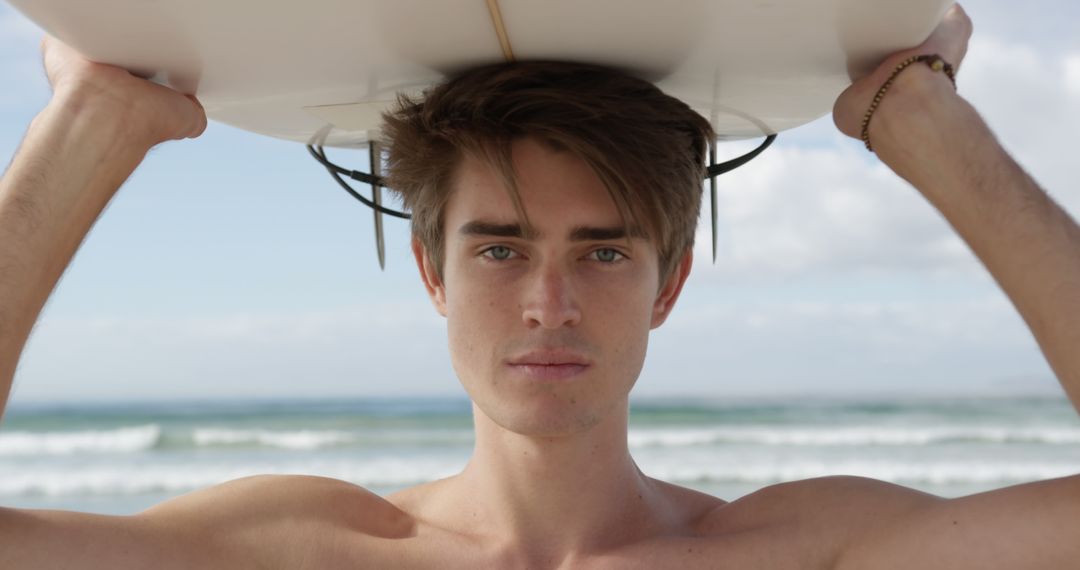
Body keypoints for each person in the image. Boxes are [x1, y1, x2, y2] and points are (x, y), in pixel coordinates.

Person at [1, 4, 1078, 568]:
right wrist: (95, 118)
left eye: (605, 252)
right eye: (500, 249)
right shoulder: (302, 553)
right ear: (432, 271)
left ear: (670, 283)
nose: (549, 304)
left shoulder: (800, 553)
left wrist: (918, 114)